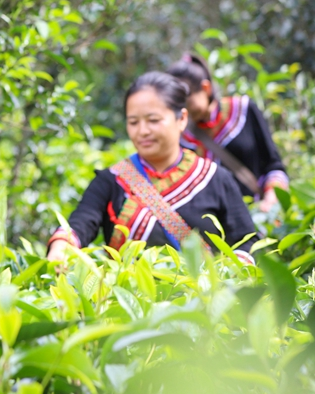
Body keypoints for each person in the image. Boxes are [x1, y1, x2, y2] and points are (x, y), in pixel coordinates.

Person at [46, 72, 257, 264]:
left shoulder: (215, 179)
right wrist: (62, 244)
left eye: (153, 120)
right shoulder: (112, 180)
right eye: (133, 122)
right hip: (128, 303)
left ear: (181, 119)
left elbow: (247, 241)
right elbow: (81, 222)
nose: (142, 131)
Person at [167, 53, 289, 212]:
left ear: (206, 88)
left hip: (259, 214)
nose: (184, 111)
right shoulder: (179, 135)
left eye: (187, 102)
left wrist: (273, 198)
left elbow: (274, 165)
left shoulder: (243, 111)